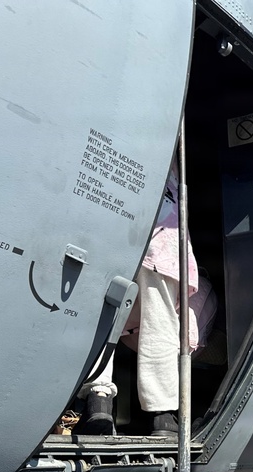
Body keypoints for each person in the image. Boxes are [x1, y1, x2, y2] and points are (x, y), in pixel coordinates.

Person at [80, 160, 215, 437]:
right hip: (160, 239)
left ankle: (99, 403)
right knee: (160, 322)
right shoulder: (166, 153)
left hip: (111, 228)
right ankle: (162, 417)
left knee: (103, 317)